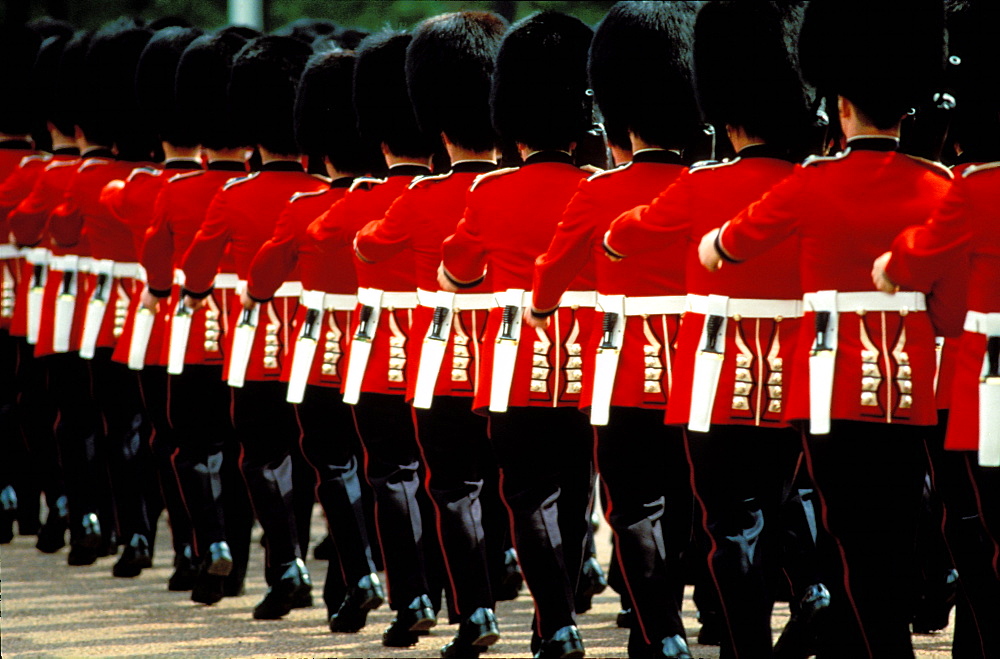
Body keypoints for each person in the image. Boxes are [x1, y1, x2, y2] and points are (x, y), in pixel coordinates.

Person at [696, 1, 952, 656]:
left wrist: (713, 249)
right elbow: (946, 307)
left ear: (840, 105)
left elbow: (732, 244)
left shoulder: (811, 184)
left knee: (849, 534)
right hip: (915, 391)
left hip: (832, 388)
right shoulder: (937, 185)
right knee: (897, 526)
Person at [603, 3, 828, 658]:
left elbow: (626, 233)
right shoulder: (810, 182)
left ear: (724, 112)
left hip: (717, 378)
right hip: (803, 374)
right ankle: (809, 594)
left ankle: (744, 644)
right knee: (791, 499)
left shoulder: (703, 186)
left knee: (730, 525)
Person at [525, 3, 702, 657]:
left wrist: (543, 308)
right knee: (685, 499)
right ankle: (670, 615)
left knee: (633, 506)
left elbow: (550, 277)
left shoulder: (599, 191)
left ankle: (662, 630)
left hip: (623, 361)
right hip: (700, 363)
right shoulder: (702, 184)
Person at [352, 11, 511, 657]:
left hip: (441, 359)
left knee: (451, 486)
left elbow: (366, 245)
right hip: (522, 357)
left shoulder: (417, 198)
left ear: (438, 127)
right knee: (527, 484)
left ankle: (471, 609)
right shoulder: (526, 190)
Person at [438, 11, 596, 658]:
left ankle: (555, 620)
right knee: (576, 492)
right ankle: (552, 616)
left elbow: (457, 271)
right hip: (592, 363)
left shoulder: (490, 192)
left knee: (526, 494)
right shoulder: (596, 187)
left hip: (516, 365)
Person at [869, 4, 1000, 656]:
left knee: (977, 517)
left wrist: (889, 267)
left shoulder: (972, 188)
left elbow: (917, 265)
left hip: (984, 378)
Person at [180, 34, 323, 620]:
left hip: (257, 341)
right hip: (321, 341)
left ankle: (285, 562)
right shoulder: (322, 192)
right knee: (310, 455)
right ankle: (299, 563)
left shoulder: (236, 195)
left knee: (259, 456)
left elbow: (194, 272)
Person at [244, 46, 386, 632]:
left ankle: (361, 574)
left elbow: (260, 282)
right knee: (380, 469)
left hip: (324, 350)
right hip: (389, 351)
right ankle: (349, 585)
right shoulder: (396, 200)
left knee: (331, 463)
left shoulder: (307, 207)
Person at [310, 29, 444, 649]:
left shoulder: (368, 201)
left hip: (379, 353)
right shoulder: (457, 196)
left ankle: (410, 590)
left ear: (380, 134)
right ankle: (449, 590)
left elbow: (320, 232)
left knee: (389, 473)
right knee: (449, 480)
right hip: (452, 353)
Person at [139, 27, 257, 599]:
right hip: (258, 335)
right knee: (239, 450)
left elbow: (156, 259)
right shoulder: (268, 189)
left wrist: (163, 294)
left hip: (192, 332)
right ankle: (234, 565)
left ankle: (206, 544)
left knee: (191, 445)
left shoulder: (179, 188)